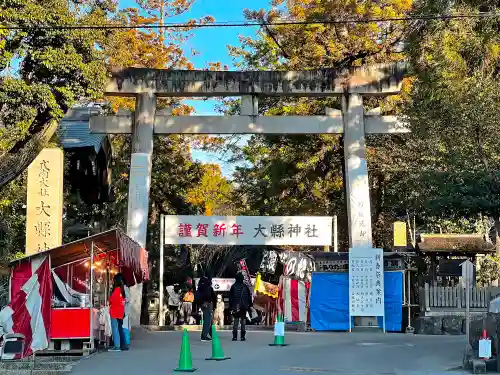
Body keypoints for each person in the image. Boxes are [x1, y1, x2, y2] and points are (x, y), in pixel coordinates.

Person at [229, 272, 252, 341]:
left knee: (235, 321)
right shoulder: (245, 286)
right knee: (243, 321)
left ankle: (235, 336)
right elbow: (248, 297)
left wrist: (231, 307)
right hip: (244, 307)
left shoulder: (233, 286)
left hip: (236, 306)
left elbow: (231, 298)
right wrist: (250, 305)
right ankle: (242, 336)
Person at [109, 275, 128, 351]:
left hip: (114, 312)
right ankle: (122, 345)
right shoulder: (122, 290)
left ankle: (117, 346)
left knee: (115, 329)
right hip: (120, 312)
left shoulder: (117, 290)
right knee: (119, 328)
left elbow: (112, 300)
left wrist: (109, 300)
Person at [194, 275, 216, 342]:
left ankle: (210, 334)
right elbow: (212, 297)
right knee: (208, 320)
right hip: (208, 304)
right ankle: (204, 336)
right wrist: (214, 306)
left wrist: (200, 303)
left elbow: (197, 297)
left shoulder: (200, 287)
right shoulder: (208, 287)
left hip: (202, 304)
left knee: (208, 319)